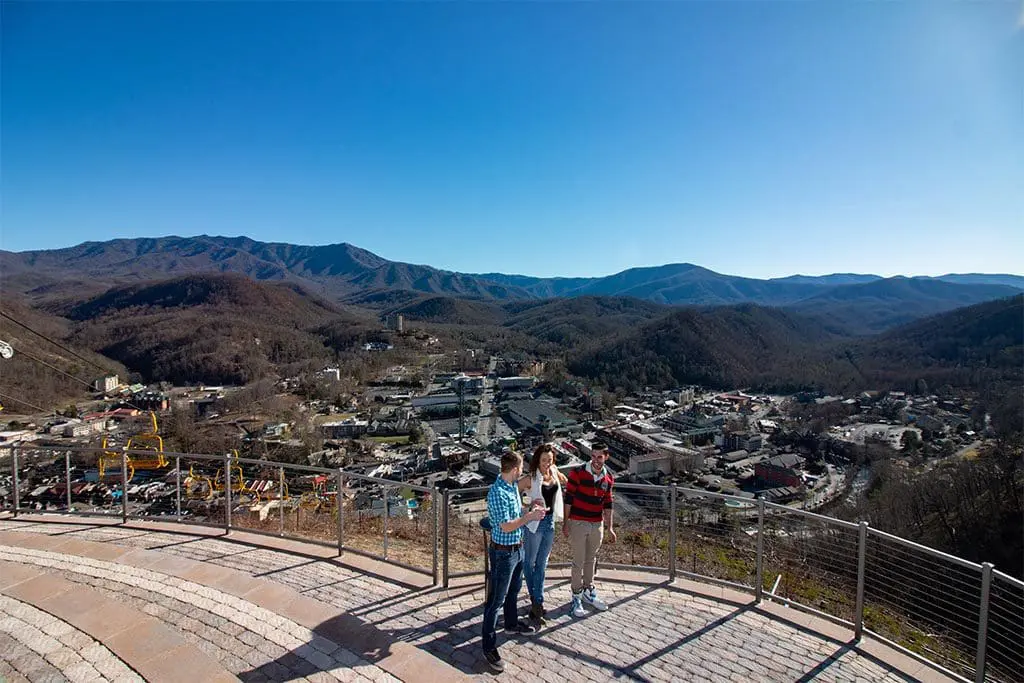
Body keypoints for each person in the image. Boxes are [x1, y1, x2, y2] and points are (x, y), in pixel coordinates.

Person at [481, 450, 546, 673]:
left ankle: (510, 624)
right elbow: (506, 525)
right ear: (515, 469)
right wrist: (529, 517)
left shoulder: (511, 488)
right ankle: (488, 646)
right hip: (503, 553)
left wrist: (530, 508)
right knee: (495, 601)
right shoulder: (497, 492)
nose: (522, 471)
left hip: (517, 549)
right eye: (521, 467)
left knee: (513, 590)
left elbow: (516, 512)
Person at [563, 441, 617, 618]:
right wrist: (566, 522)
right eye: (592, 456)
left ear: (606, 457)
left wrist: (610, 528)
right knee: (578, 560)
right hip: (578, 522)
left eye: (599, 457)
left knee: (591, 559)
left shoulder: (608, 477)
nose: (595, 460)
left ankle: (588, 590)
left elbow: (608, 503)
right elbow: (568, 499)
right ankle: (576, 595)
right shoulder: (577, 473)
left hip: (596, 523)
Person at [520, 443, 567, 624]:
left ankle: (536, 602)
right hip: (534, 524)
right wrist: (528, 506)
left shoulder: (554, 471)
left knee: (542, 564)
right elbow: (515, 491)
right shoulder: (531, 478)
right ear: (537, 460)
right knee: (529, 562)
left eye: (550, 459)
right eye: (544, 460)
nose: (547, 463)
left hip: (549, 523)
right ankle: (537, 600)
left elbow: (566, 480)